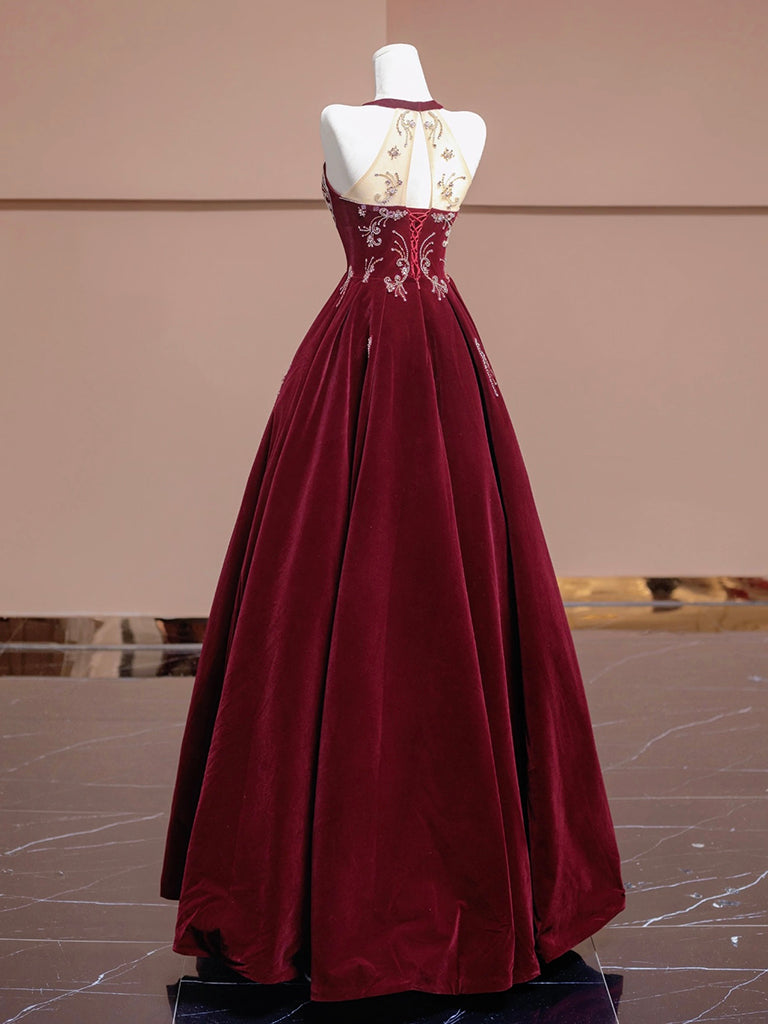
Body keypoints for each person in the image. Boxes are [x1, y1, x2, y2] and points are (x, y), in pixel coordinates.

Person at [160, 42, 625, 1003]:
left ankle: (308, 891)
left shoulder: (356, 122)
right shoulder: (454, 128)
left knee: (332, 579)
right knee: (426, 567)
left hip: (366, 344)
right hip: (439, 345)